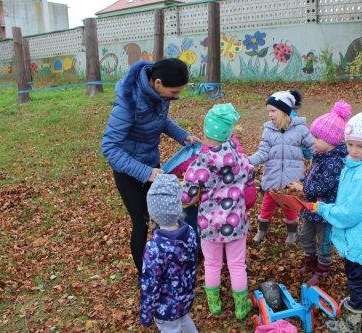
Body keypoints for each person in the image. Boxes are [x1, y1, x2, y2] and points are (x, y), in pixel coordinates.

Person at [101, 59, 199, 279]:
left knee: (161, 216)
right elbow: (109, 148)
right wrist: (146, 173)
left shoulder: (159, 96)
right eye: (174, 92)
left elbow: (161, 122)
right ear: (157, 83)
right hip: (129, 172)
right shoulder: (128, 104)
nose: (176, 96)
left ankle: (163, 260)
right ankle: (145, 275)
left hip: (151, 164)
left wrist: (183, 135)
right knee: (142, 222)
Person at [310, 112, 362, 332]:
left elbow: (350, 213)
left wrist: (323, 208)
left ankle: (351, 322)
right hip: (360, 237)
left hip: (360, 238)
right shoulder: (357, 165)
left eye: (360, 146)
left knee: (356, 279)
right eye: (350, 144)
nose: (353, 150)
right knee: (361, 276)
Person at [181, 103, 256, 320]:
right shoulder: (240, 157)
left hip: (209, 224)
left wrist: (187, 192)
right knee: (237, 265)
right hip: (236, 222)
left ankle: (214, 305)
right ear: (228, 133)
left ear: (206, 133)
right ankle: (241, 307)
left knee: (212, 264)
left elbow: (186, 196)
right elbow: (250, 178)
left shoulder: (202, 162)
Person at [289, 100, 351, 286]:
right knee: (305, 236)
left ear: (331, 141)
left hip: (325, 211)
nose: (312, 141)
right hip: (311, 208)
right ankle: (310, 261)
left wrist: (304, 188)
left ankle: (323, 268)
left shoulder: (335, 161)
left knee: (324, 241)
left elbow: (326, 186)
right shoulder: (320, 155)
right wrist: (302, 181)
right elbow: (312, 176)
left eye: (316, 138)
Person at [249, 90, 314, 244]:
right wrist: (248, 161)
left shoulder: (301, 129)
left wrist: (317, 162)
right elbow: (263, 152)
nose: (270, 114)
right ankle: (261, 230)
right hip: (272, 175)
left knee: (289, 207)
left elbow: (313, 148)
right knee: (266, 206)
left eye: (273, 111)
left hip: (292, 179)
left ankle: (292, 232)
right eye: (268, 111)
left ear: (285, 111)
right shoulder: (269, 130)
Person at [140, 174, 198, 332]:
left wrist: (146, 315)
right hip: (186, 299)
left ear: (153, 213)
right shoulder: (190, 233)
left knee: (171, 328)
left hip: (165, 308)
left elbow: (150, 286)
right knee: (185, 320)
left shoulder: (154, 248)